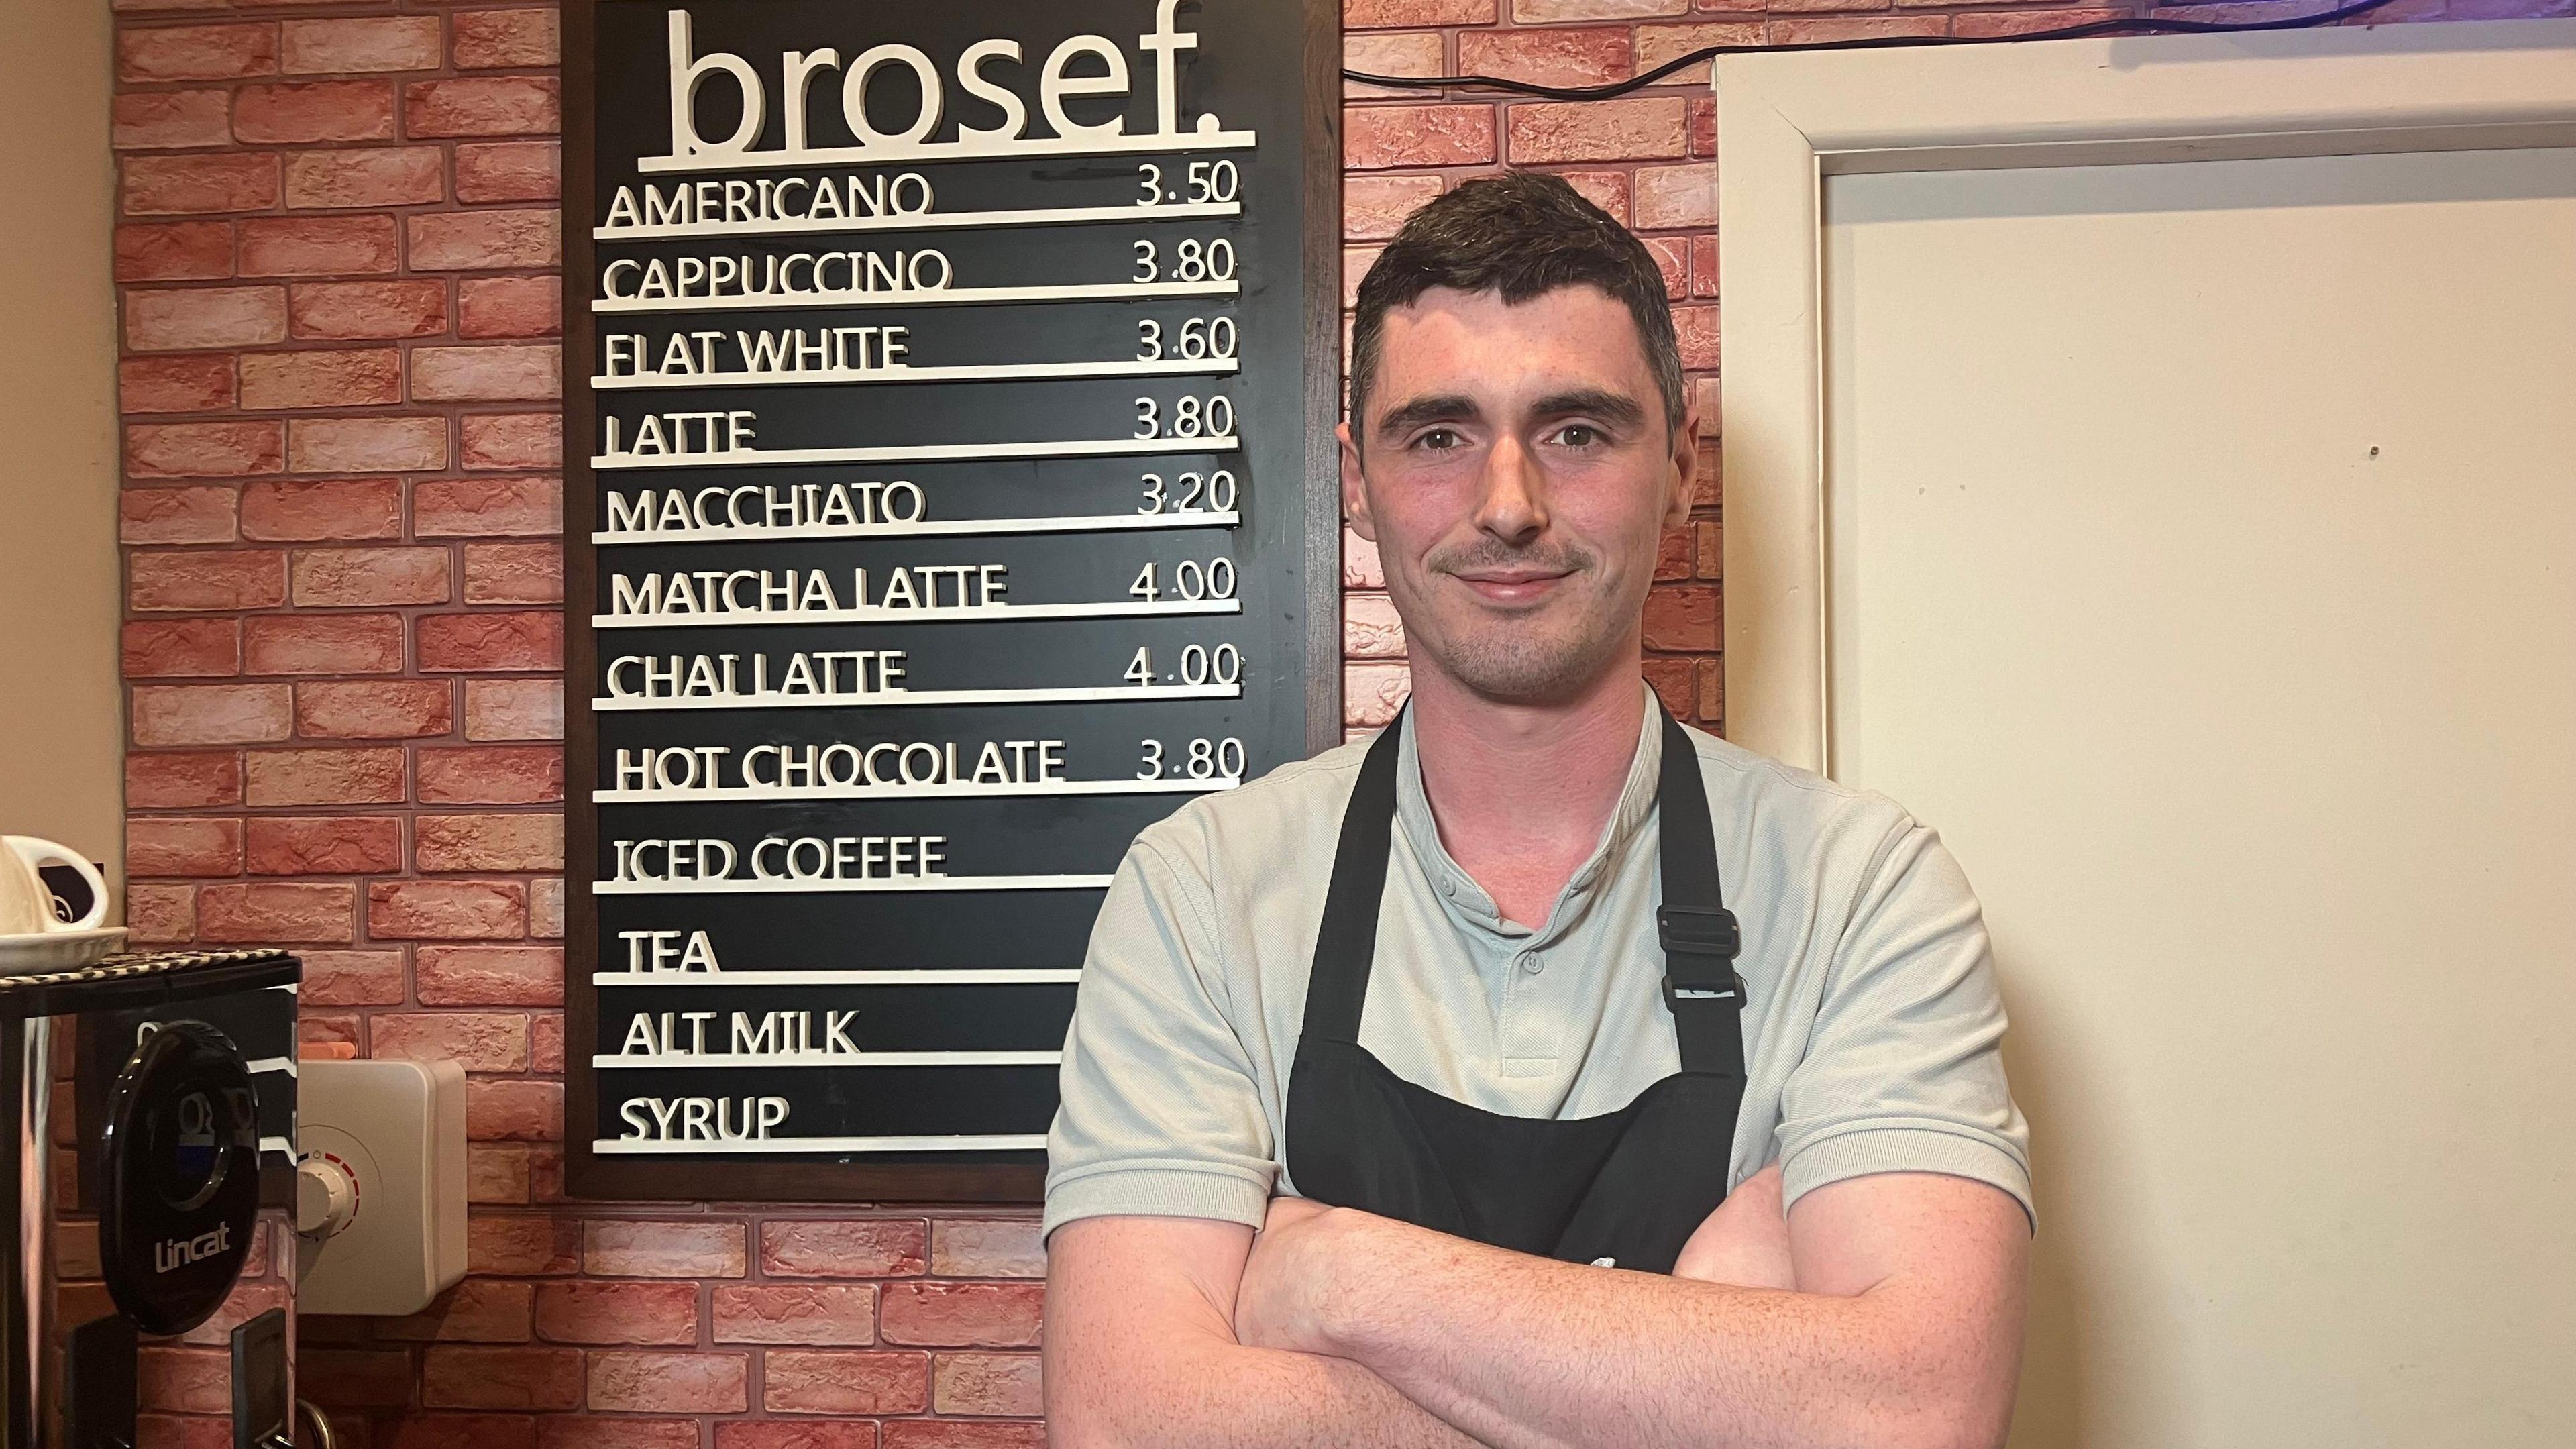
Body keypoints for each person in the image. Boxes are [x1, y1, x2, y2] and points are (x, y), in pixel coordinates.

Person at [1041, 171, 2032, 1448]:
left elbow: (1919, 1414)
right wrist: (1713, 1350)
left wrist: (1342, 1278)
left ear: (1679, 471)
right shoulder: (1200, 893)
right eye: (1439, 434)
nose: (1509, 503)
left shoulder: (1862, 890)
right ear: (1357, 483)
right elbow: (1129, 1425)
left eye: (1577, 430)